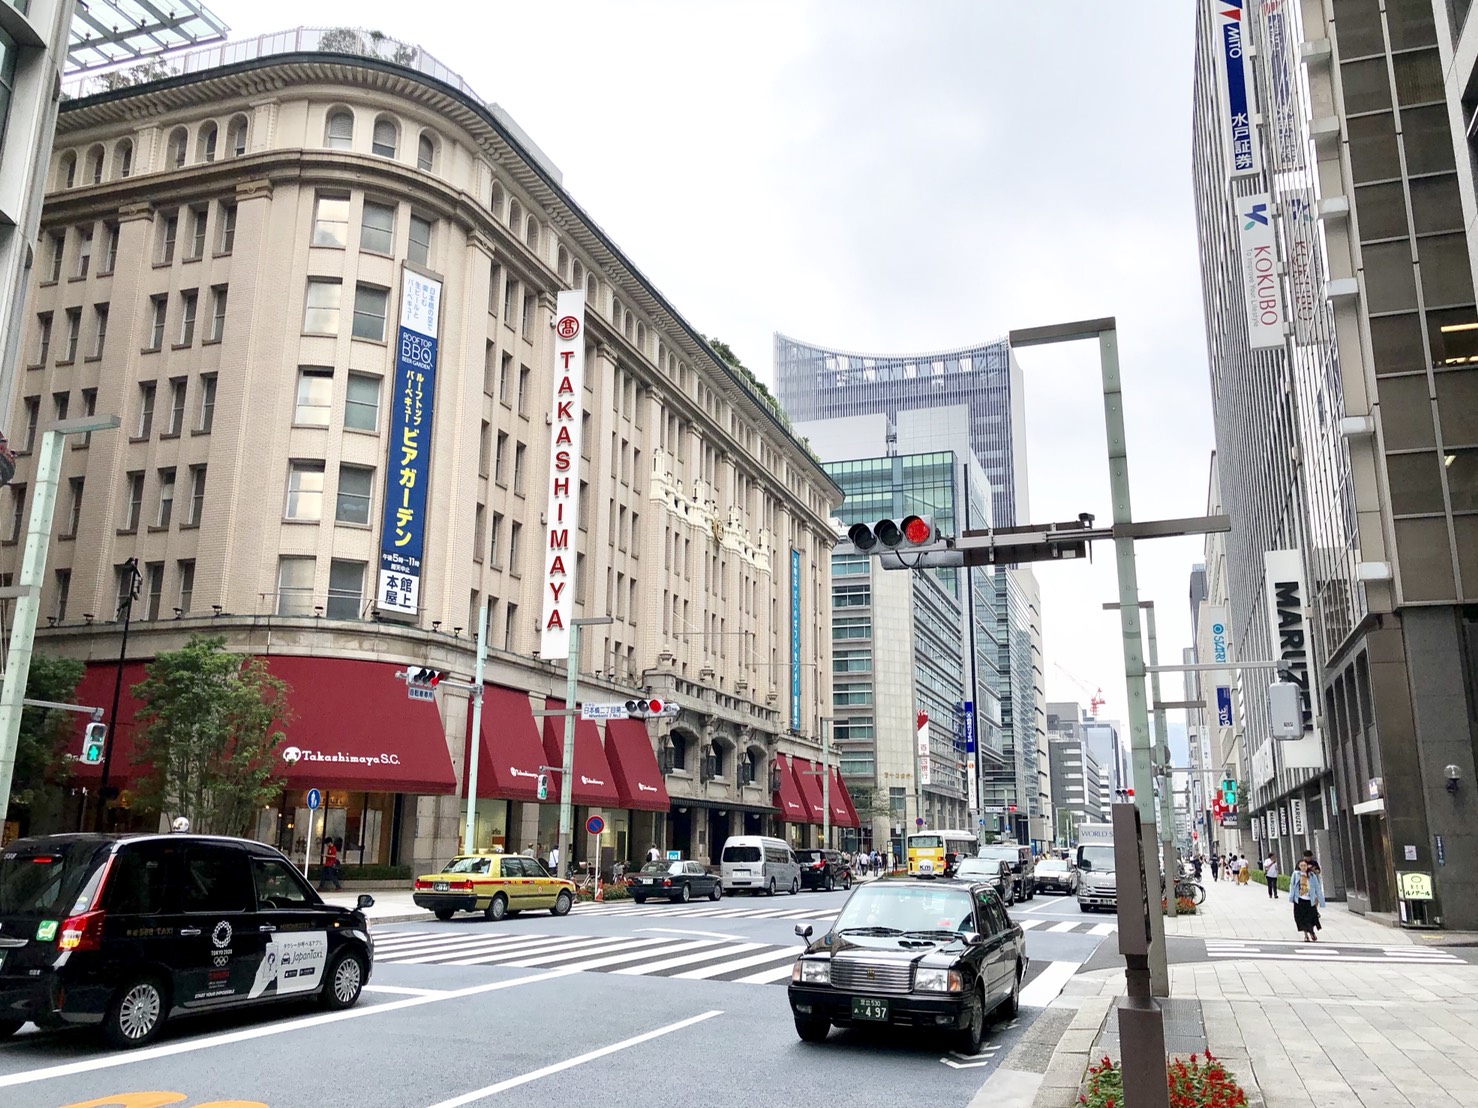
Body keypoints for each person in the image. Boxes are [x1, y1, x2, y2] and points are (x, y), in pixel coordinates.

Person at [1288, 857, 1325, 941]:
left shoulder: (1312, 875)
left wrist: (1318, 899)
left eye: (1305, 865)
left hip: (1310, 900)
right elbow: (1292, 885)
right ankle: (1306, 936)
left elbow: (1317, 887)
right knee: (1302, 919)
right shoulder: (1296, 874)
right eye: (1301, 865)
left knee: (1311, 918)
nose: (1303, 867)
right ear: (1299, 866)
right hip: (1299, 899)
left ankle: (1312, 932)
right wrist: (1291, 897)